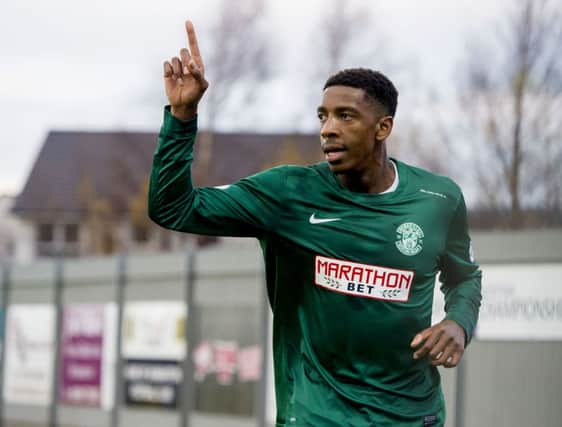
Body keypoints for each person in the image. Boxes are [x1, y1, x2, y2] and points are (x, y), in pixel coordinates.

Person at [148, 20, 482, 427]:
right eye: (323, 116)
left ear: (383, 127)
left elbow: (464, 277)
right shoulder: (288, 193)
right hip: (318, 415)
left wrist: (459, 324)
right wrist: (182, 118)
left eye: (345, 117)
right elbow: (173, 208)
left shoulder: (438, 199)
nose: (327, 129)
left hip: (412, 415)